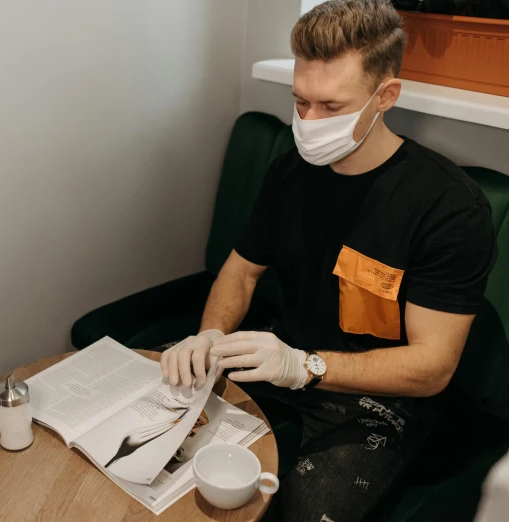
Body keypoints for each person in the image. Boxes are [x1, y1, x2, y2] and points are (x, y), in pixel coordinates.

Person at [160, 1, 497, 520]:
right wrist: (210, 337)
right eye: (300, 103)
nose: (309, 123)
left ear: (385, 96)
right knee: (157, 436)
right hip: (277, 357)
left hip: (378, 398)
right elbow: (242, 270)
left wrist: (304, 367)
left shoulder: (448, 206)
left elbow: (432, 368)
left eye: (331, 107)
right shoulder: (290, 172)